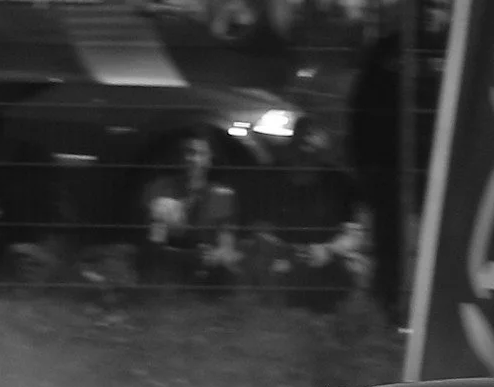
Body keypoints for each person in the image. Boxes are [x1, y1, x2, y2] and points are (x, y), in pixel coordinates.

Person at [346, 0, 451, 319]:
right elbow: (360, 108)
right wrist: (361, 162)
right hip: (388, 167)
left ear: (449, 11)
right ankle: (391, 311)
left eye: (439, 6)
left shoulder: (458, 54)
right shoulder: (387, 51)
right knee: (390, 244)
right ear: (411, 9)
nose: (431, 12)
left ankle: (435, 314)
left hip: (440, 169)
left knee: (440, 245)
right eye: (424, 4)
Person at [248, 122, 366, 312]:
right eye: (301, 137)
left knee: (356, 268)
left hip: (328, 257)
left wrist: (328, 250)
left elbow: (355, 234)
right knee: (260, 263)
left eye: (312, 137)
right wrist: (286, 251)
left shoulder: (340, 183)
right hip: (282, 256)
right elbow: (260, 229)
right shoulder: (273, 179)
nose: (306, 145)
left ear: (324, 147)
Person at [137, 130, 240, 293]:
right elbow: (154, 246)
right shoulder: (159, 189)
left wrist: (218, 255)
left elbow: (226, 247)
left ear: (210, 159)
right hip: (167, 276)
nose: (194, 159)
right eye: (189, 152)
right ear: (180, 156)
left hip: (205, 278)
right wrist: (189, 256)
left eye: (201, 154)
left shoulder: (221, 196)